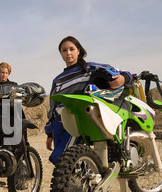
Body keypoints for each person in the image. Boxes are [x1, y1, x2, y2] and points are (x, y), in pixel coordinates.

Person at [45, 36, 133, 164]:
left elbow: (121, 72)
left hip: (79, 121)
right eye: (64, 50)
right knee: (64, 163)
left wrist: (124, 78)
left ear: (78, 51)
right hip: (59, 125)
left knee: (62, 159)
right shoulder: (57, 80)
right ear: (61, 54)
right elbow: (52, 108)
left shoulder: (90, 68)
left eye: (71, 49)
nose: (68, 53)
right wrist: (49, 134)